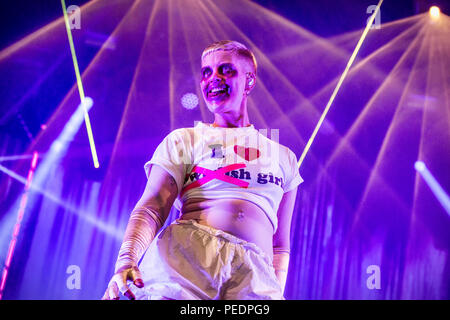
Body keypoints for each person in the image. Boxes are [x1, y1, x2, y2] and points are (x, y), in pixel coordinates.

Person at [102, 40, 303, 300]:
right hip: (188, 262)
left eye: (225, 70)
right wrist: (127, 261)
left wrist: (276, 291)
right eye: (206, 72)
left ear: (249, 80)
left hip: (253, 280)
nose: (213, 78)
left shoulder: (283, 156)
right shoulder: (185, 139)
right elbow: (152, 206)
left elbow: (280, 245)